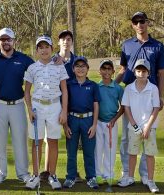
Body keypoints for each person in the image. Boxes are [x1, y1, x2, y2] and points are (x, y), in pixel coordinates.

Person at [115, 11, 164, 186]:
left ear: (147, 23)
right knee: (126, 138)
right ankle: (126, 174)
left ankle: (145, 175)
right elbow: (123, 70)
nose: (140, 24)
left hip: (149, 96)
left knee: (147, 135)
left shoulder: (158, 46)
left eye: (142, 21)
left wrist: (160, 97)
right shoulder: (127, 45)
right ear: (133, 25)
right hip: (130, 95)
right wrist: (109, 86)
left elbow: (161, 74)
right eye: (136, 22)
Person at [0, 28, 34, 184]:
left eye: (8, 39)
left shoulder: (24, 59)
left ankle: (23, 173)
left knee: (20, 141)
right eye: (2, 39)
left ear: (13, 41)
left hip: (18, 105)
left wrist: (55, 60)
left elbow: (39, 68)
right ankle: (0, 174)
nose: (5, 42)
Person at [24, 35, 68, 190]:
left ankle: (53, 175)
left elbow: (64, 90)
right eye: (40, 47)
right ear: (37, 51)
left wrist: (64, 111)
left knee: (53, 141)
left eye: (46, 47)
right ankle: (35, 175)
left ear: (51, 49)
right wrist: (29, 110)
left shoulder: (59, 66)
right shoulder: (32, 68)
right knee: (36, 142)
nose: (44, 50)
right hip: (37, 107)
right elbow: (27, 92)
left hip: (55, 107)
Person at [40, 30, 83, 182]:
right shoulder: (52, 59)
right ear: (58, 43)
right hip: (53, 103)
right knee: (50, 138)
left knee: (72, 138)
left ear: (72, 41)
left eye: (69, 39)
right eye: (63, 39)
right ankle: (46, 171)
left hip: (74, 103)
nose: (66, 41)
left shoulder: (77, 60)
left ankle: (73, 172)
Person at [119, 59, 160, 193]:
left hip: (150, 126)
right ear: (135, 72)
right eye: (138, 71)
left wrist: (148, 126)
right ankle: (130, 178)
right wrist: (134, 125)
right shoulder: (129, 88)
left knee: (149, 154)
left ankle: (150, 180)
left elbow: (155, 109)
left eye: (144, 71)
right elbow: (126, 108)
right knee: (132, 153)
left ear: (148, 73)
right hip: (134, 127)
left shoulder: (153, 88)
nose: (141, 73)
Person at [62, 56, 100, 189]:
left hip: (88, 120)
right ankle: (70, 177)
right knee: (71, 151)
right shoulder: (68, 85)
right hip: (72, 119)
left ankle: (91, 178)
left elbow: (96, 106)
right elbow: (64, 107)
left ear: (88, 69)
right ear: (73, 69)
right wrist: (65, 125)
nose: (80, 68)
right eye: (77, 66)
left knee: (89, 152)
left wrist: (94, 125)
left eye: (83, 66)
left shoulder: (93, 85)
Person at [95, 59, 124, 185]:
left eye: (109, 69)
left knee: (110, 150)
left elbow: (123, 107)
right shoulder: (95, 87)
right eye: (104, 68)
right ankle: (97, 175)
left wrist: (114, 119)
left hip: (111, 124)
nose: (106, 71)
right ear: (100, 71)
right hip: (97, 123)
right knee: (97, 149)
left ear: (113, 71)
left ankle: (109, 175)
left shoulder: (118, 88)